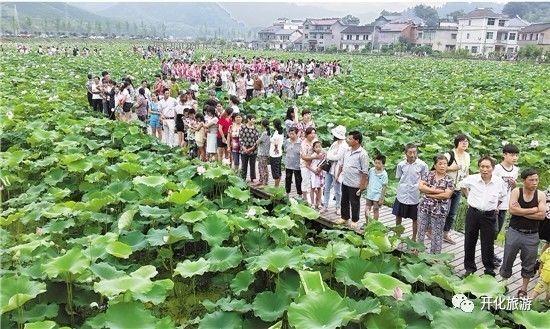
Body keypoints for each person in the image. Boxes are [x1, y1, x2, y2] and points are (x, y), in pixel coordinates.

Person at [500, 168, 546, 297]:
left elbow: (541, 215)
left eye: (536, 180)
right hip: (515, 231)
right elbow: (512, 210)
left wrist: (522, 211)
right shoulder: (517, 191)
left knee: (529, 263)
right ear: (524, 181)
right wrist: (533, 209)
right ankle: (503, 284)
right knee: (508, 258)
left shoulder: (540, 195)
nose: (535, 182)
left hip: (532, 234)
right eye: (531, 180)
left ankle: (523, 289)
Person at [460, 156, 507, 277]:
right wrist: (468, 195)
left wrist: (495, 206)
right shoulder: (472, 179)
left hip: (489, 215)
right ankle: (470, 268)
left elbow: (502, 196)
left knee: (488, 243)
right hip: (473, 213)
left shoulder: (499, 182)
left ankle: (489, 270)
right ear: (479, 167)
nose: (484, 169)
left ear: (493, 168)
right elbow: (462, 184)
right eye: (482, 166)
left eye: (487, 167)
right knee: (469, 241)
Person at [417, 155, 455, 254]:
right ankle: (418, 252)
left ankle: (434, 256)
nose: (443, 166)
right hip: (424, 208)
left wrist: (429, 194)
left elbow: (446, 195)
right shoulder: (428, 175)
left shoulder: (449, 180)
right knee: (421, 230)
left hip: (439, 211)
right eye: (440, 164)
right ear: (435, 165)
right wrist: (436, 191)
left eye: (445, 164)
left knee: (437, 233)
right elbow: (421, 187)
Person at [393, 143, 429, 241]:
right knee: (398, 216)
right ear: (406, 153)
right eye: (410, 153)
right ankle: (397, 235)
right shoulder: (401, 165)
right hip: (402, 193)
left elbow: (425, 180)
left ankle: (414, 238)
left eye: (414, 152)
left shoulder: (422, 165)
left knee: (415, 218)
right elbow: (399, 177)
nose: (412, 155)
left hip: (415, 195)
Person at [493, 143, 520, 266]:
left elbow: (513, 188)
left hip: (505, 204)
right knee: (492, 230)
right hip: (494, 204)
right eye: (512, 155)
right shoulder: (497, 168)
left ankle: (490, 252)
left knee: (497, 230)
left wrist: (514, 184)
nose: (514, 158)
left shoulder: (516, 170)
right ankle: (489, 253)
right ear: (504, 155)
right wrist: (495, 205)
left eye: (516, 155)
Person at [336, 131, 369, 229]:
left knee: (355, 202)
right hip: (345, 180)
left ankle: (355, 220)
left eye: (350, 139)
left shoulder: (363, 154)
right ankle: (344, 217)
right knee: (344, 200)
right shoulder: (347, 150)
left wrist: (362, 187)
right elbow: (342, 164)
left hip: (355, 183)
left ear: (357, 141)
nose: (348, 140)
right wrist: (337, 175)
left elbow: (364, 172)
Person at [443, 134, 471, 245]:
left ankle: (445, 233)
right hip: (445, 187)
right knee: (441, 211)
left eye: (466, 141)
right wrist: (451, 168)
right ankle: (431, 230)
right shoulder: (449, 154)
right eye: (462, 141)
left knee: (452, 213)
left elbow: (466, 172)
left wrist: (467, 191)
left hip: (458, 188)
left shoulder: (467, 156)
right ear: (457, 143)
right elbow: (438, 168)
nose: (465, 143)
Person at [322, 125, 348, 214]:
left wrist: (329, 155)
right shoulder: (335, 143)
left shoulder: (344, 146)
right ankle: (325, 206)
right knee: (326, 187)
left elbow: (337, 157)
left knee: (337, 190)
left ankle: (338, 207)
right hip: (330, 168)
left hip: (337, 169)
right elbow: (330, 153)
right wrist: (330, 155)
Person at [364, 154, 389, 223]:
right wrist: (363, 188)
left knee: (375, 209)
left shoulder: (384, 174)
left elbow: (384, 187)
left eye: (379, 163)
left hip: (377, 195)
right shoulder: (371, 170)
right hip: (370, 193)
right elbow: (367, 179)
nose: (376, 165)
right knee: (367, 208)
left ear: (383, 164)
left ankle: (374, 225)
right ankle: (367, 223)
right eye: (375, 163)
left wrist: (382, 198)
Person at [300, 127, 318, 205]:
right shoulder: (303, 143)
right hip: (304, 165)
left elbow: (319, 149)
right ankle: (305, 199)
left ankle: (316, 200)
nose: (313, 135)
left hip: (314, 165)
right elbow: (303, 157)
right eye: (311, 133)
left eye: (314, 133)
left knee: (314, 182)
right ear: (307, 134)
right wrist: (314, 157)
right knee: (306, 181)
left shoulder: (315, 141)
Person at [239, 114, 259, 183]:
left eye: (254, 119)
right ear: (248, 119)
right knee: (244, 165)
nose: (254, 120)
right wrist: (244, 148)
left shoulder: (255, 129)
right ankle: (242, 178)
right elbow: (240, 138)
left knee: (252, 165)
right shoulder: (243, 127)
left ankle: (253, 178)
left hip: (253, 150)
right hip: (244, 149)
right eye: (253, 119)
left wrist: (252, 148)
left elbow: (257, 140)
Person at [284, 127, 303, 197]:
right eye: (290, 134)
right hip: (288, 163)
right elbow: (285, 149)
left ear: (297, 134)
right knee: (288, 179)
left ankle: (300, 194)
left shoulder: (300, 142)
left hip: (297, 164)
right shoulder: (287, 141)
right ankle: (287, 193)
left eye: (293, 134)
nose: (291, 135)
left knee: (298, 180)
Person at [309, 141, 326, 209]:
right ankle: (312, 203)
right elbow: (307, 165)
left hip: (320, 173)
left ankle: (318, 203)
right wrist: (314, 171)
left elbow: (324, 163)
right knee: (312, 188)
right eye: (316, 147)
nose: (318, 148)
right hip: (313, 173)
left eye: (319, 147)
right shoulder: (312, 156)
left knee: (319, 188)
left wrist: (320, 170)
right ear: (313, 148)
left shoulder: (323, 155)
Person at [256, 119, 271, 187]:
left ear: (262, 125)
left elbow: (258, 142)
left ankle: (264, 182)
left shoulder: (264, 133)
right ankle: (262, 180)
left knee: (263, 167)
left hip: (262, 153)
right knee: (262, 167)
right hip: (266, 152)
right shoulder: (269, 132)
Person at [270, 119, 284, 187]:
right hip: (279, 154)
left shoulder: (277, 134)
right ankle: (277, 186)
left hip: (274, 155)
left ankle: (276, 187)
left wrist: (270, 138)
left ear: (274, 125)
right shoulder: (280, 132)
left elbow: (274, 142)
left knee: (275, 172)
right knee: (278, 171)